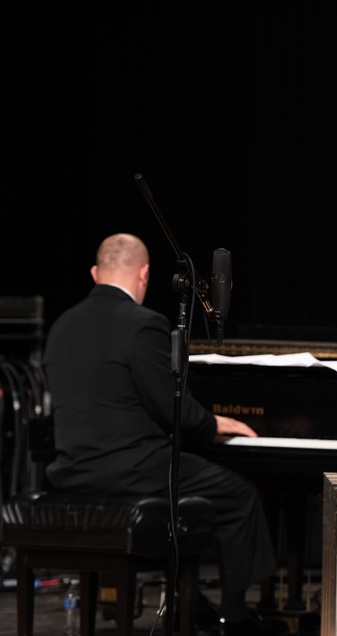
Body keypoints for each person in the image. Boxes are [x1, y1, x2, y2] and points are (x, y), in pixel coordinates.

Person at [42, 233, 286, 636]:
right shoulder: (143, 325)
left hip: (71, 472)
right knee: (239, 494)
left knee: (200, 486)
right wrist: (215, 424)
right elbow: (174, 411)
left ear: (94, 273)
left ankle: (192, 601)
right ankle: (234, 614)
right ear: (145, 274)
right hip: (132, 472)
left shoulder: (62, 326)